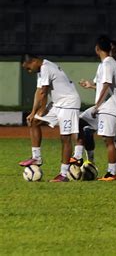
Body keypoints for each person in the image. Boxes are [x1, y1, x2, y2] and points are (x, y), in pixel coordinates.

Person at [19, 54, 82, 182]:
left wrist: (42, 109)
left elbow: (44, 92)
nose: (29, 71)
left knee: (65, 138)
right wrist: (33, 112)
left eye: (28, 68)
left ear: (34, 61)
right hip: (58, 104)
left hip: (68, 104)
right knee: (34, 121)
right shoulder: (41, 70)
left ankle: (63, 174)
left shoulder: (46, 67)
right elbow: (39, 91)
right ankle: (36, 157)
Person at [78, 35, 116, 181]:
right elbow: (104, 86)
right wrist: (91, 86)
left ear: (97, 49)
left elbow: (107, 85)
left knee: (108, 140)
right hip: (103, 106)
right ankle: (83, 157)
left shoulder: (108, 64)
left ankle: (112, 173)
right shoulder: (105, 64)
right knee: (81, 121)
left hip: (108, 108)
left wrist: (97, 106)